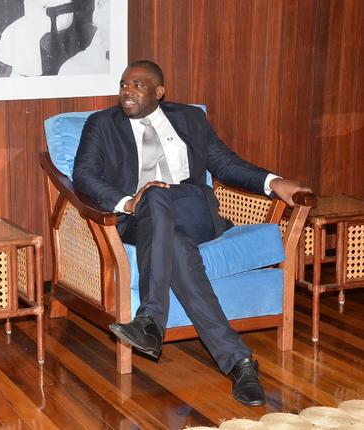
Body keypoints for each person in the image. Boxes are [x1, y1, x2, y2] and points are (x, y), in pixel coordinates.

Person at [72, 60, 311, 407]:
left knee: (159, 196)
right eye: (124, 83)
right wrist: (127, 202)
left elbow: (226, 164)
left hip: (191, 209)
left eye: (138, 84)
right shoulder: (101, 124)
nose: (127, 90)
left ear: (159, 92)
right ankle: (240, 362)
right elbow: (84, 175)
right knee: (174, 243)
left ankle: (151, 318)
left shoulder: (189, 119)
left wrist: (273, 182)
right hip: (140, 219)